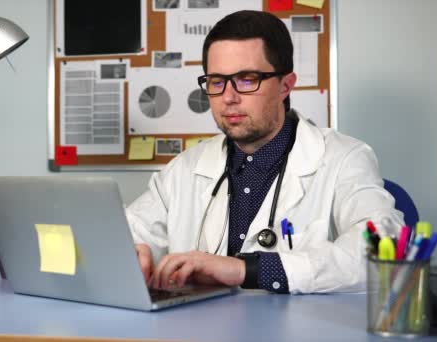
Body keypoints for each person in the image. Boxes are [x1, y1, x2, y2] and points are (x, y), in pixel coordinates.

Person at [126, 10, 403, 294]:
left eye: (247, 79)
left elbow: (383, 249)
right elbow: (124, 233)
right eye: (216, 81)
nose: (228, 97)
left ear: (286, 85)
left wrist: (246, 270)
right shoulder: (184, 169)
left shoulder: (345, 158)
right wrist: (131, 252)